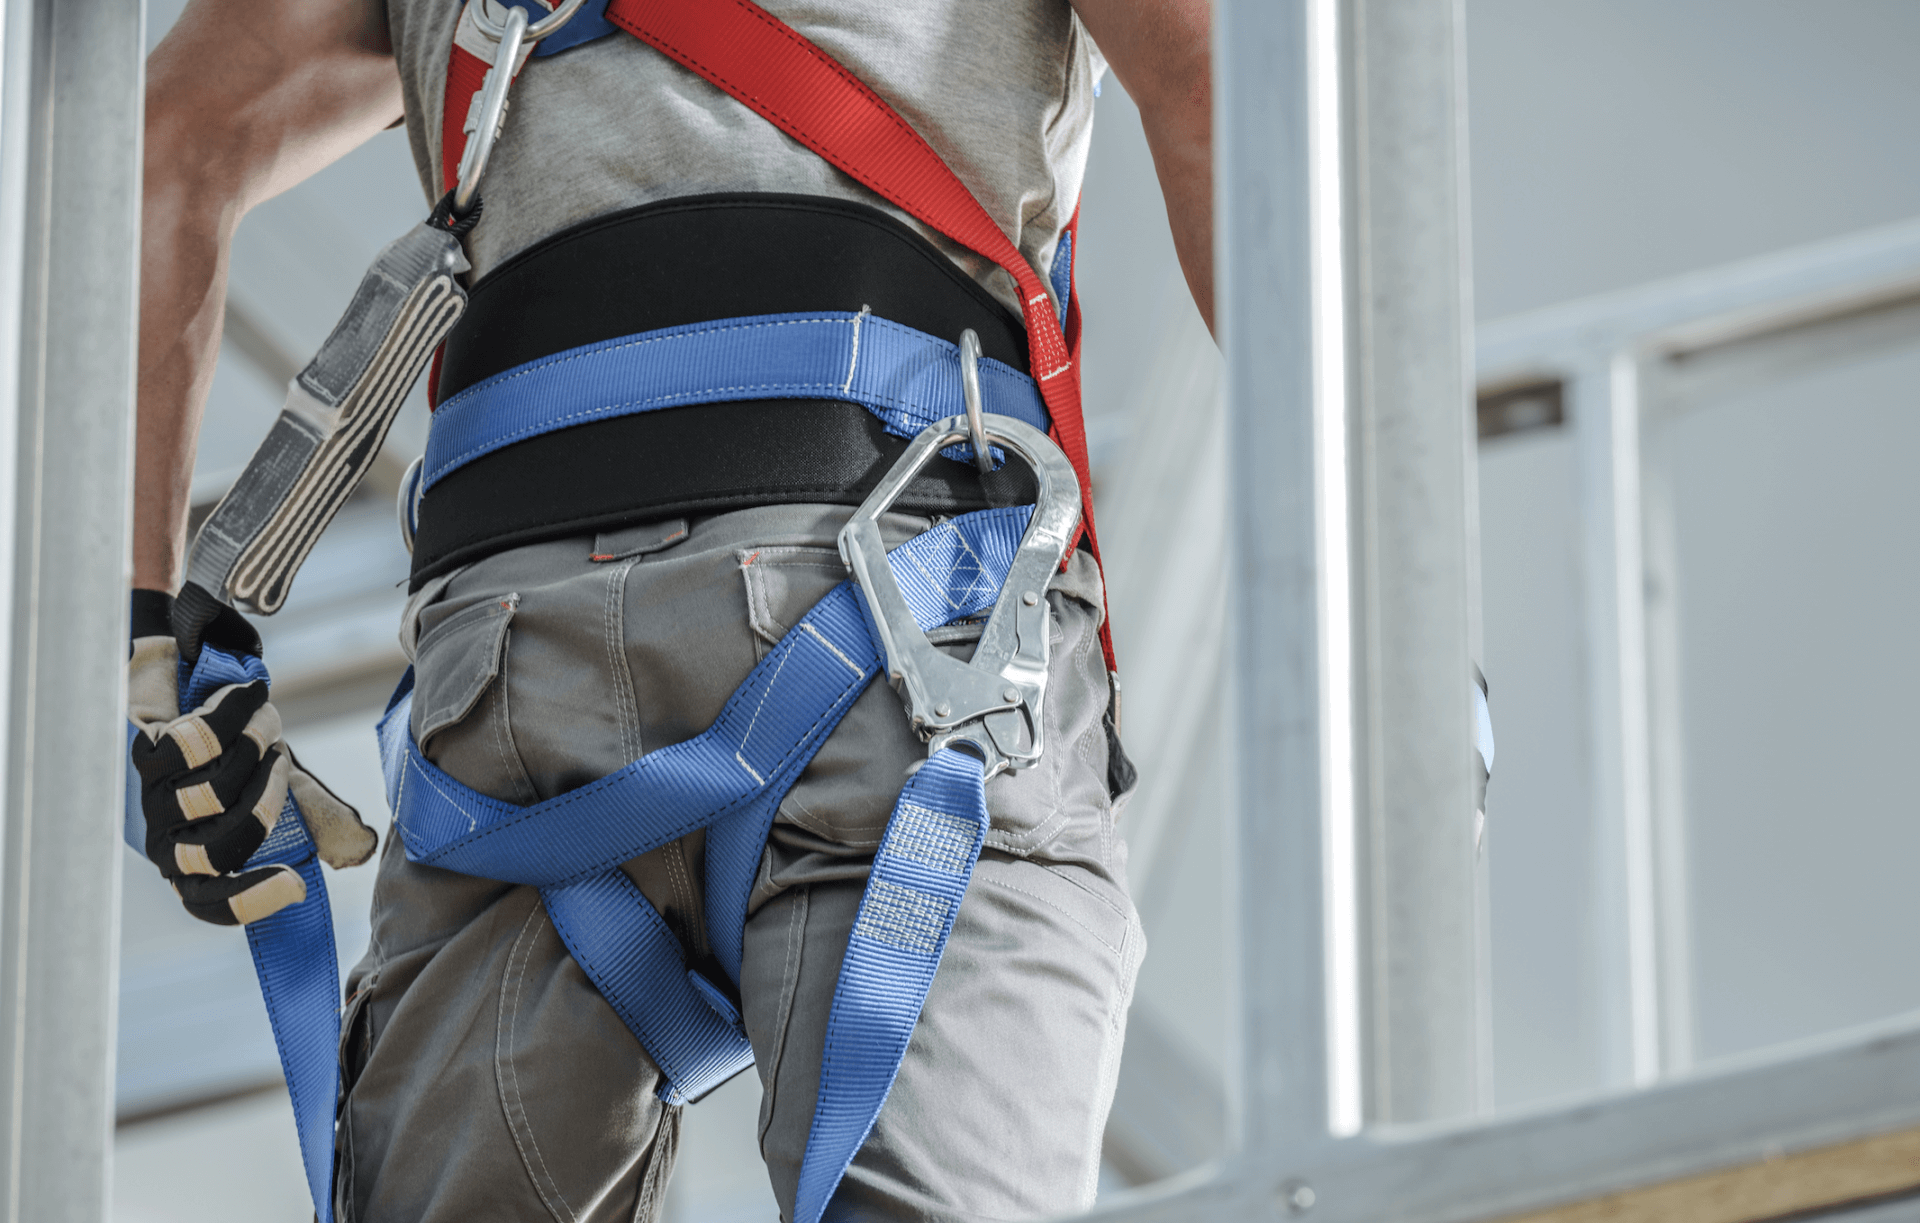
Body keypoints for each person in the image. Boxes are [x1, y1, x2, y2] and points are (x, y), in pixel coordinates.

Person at [130, 0, 1213, 1219]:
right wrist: (1387, 606)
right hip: (905, 624)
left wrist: (141, 648)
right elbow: (1218, 93)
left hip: (512, 676)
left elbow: (171, 142)